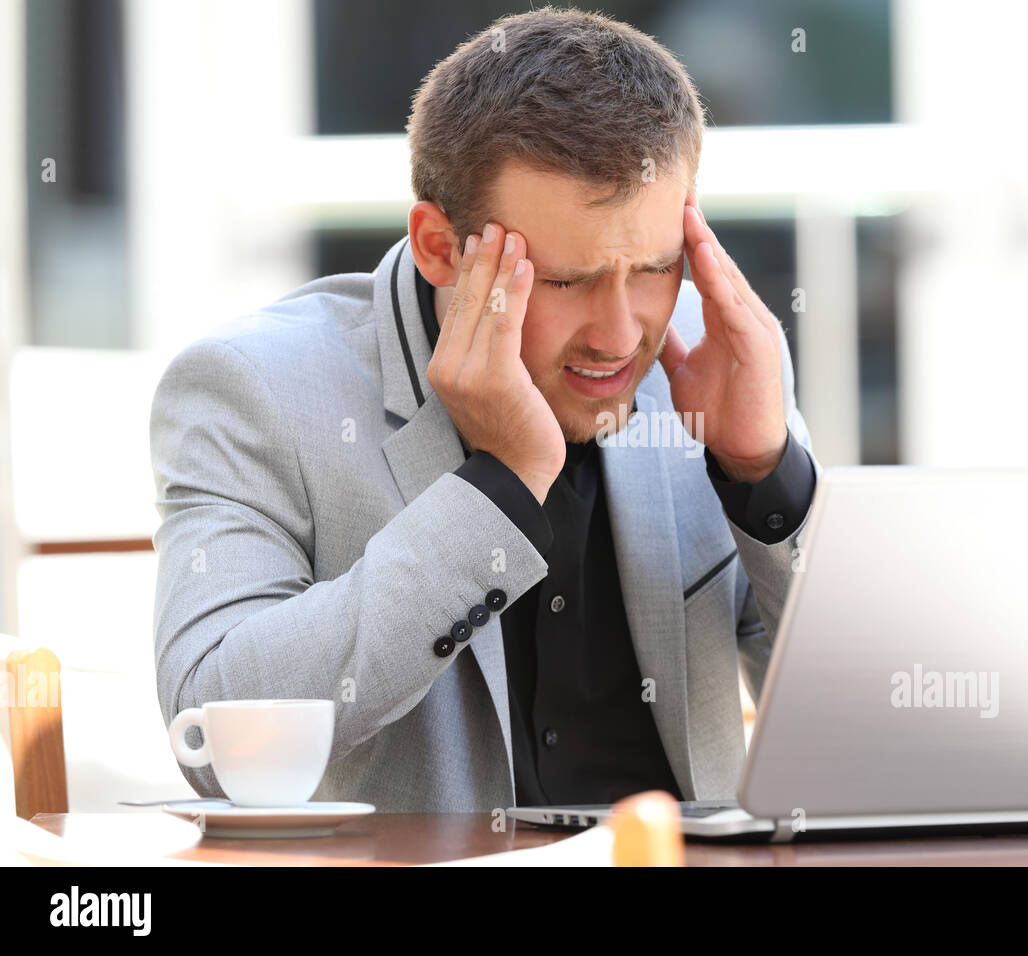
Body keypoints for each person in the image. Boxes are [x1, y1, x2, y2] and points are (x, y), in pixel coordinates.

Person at [150, 6, 819, 812]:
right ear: (440, 247)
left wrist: (764, 477)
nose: (618, 336)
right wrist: (498, 489)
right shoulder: (254, 390)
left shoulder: (714, 356)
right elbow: (210, 730)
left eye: (654, 266)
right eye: (565, 280)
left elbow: (861, 711)